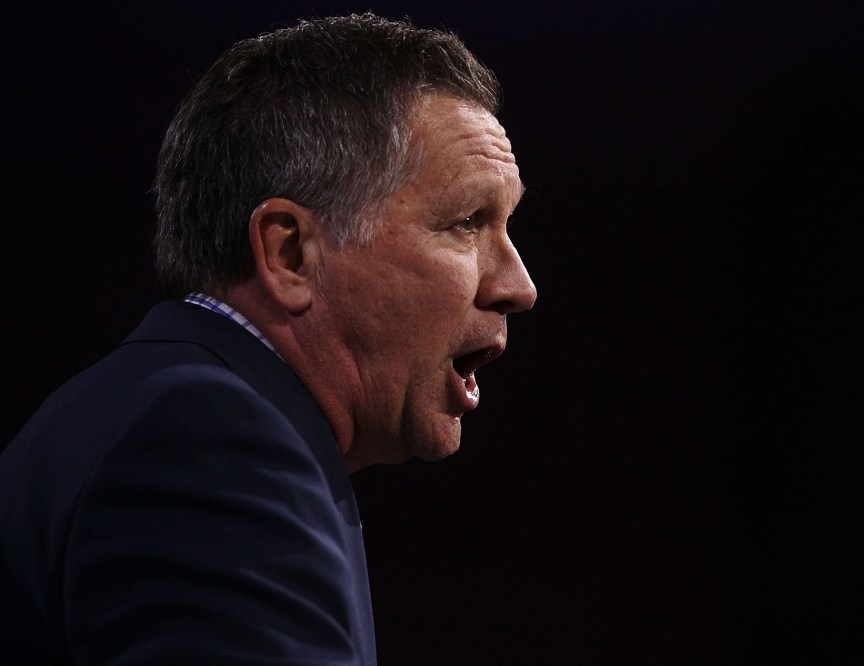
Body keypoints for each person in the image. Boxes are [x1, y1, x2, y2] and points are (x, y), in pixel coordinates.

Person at [0, 12, 536, 665]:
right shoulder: (209, 444)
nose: (518, 284)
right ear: (289, 255)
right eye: (466, 221)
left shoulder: (153, 414)